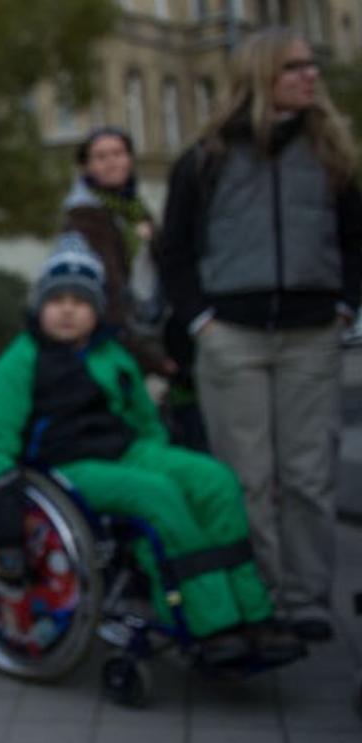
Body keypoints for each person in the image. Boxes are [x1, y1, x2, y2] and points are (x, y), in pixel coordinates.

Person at [0, 234, 303, 666]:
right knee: (158, 497)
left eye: (80, 300)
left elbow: (145, 420)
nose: (69, 309)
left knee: (214, 481)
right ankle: (211, 625)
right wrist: (2, 515)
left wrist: (166, 461)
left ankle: (252, 614)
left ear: (97, 309)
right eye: (58, 300)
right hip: (66, 467)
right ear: (41, 306)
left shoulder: (113, 354)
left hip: (127, 450)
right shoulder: (19, 362)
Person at [156, 26, 361, 639]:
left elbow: (356, 241)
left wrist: (347, 307)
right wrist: (202, 322)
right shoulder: (206, 157)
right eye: (296, 67)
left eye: (311, 66)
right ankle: (259, 595)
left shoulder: (333, 151)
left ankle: (307, 600)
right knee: (245, 477)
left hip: (310, 334)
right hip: (232, 336)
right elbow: (176, 252)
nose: (311, 75)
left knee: (307, 475)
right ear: (262, 74)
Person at [60, 127, 172, 375]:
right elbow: (109, 286)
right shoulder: (84, 215)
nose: (112, 162)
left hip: (148, 322)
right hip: (115, 334)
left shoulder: (135, 208)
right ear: (86, 167)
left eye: (118, 153)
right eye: (101, 157)